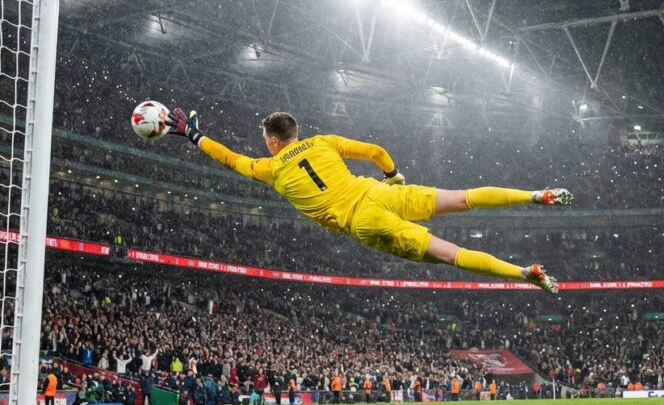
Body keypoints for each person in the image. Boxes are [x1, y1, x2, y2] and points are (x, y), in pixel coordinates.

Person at [165, 110, 570, 293]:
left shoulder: (269, 168)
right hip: (378, 191)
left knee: (450, 254)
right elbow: (376, 151)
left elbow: (231, 160)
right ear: (297, 131)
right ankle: (535, 194)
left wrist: (194, 136)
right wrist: (392, 175)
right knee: (462, 198)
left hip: (364, 219)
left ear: (272, 141)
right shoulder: (323, 142)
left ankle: (522, 273)